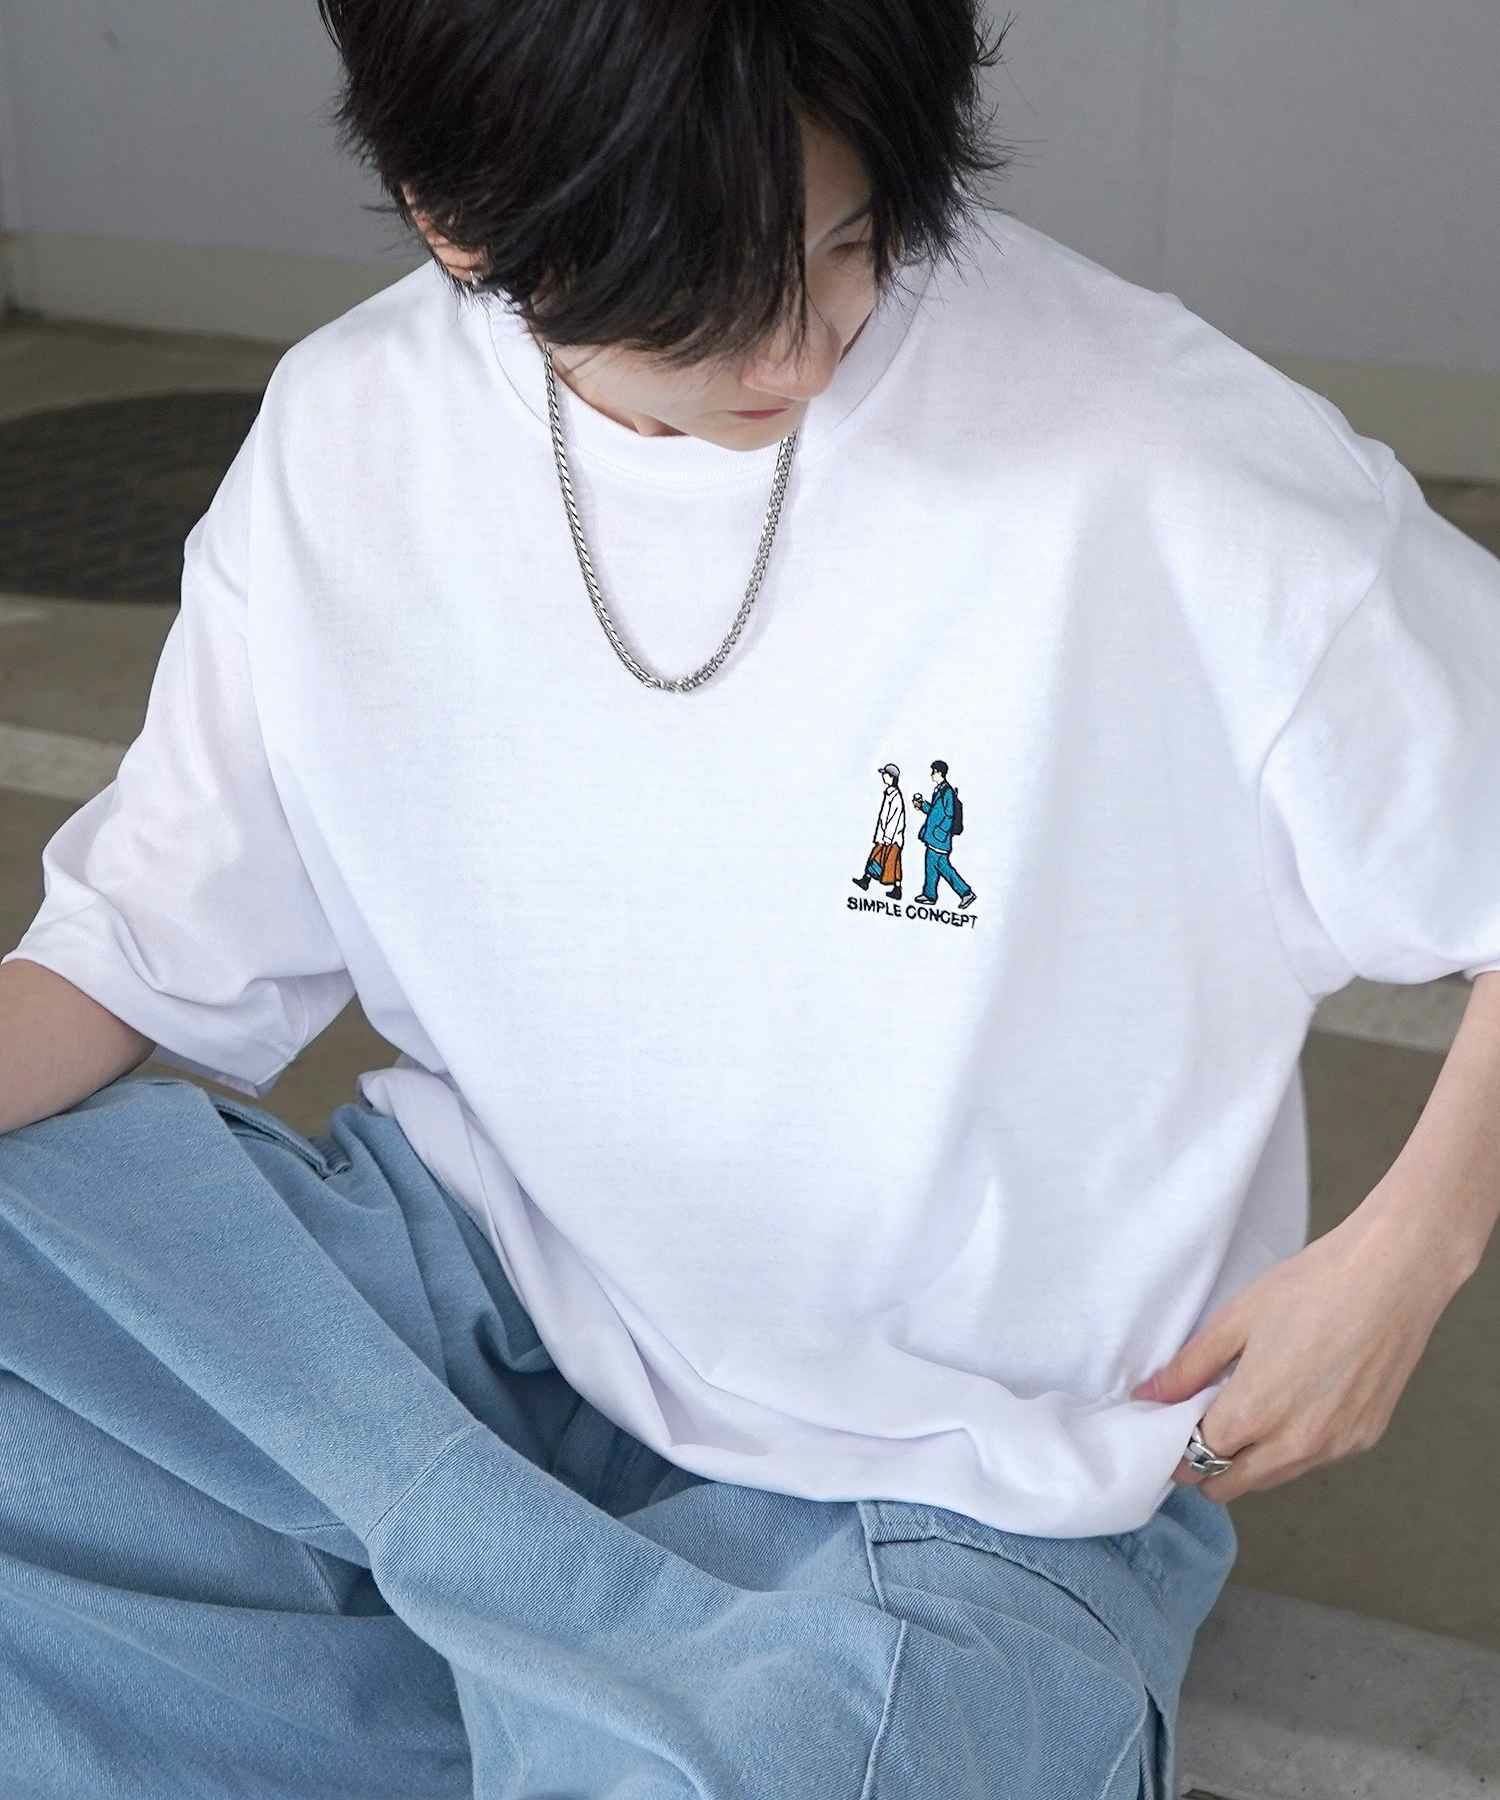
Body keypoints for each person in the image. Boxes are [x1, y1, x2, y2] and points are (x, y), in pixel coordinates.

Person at [3, 4, 1499, 1797]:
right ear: (454, 221)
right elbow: (137, 942)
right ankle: (558, 1703)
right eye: (701, 297)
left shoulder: (1161, 456)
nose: (802, 344)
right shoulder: (351, 430)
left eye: (852, 240)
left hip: (945, 1472)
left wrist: (1408, 1255)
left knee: (804, 1754)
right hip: (464, 1307)